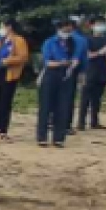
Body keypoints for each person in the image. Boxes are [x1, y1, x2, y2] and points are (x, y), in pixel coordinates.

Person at [36, 18, 80, 148]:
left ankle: (59, 138)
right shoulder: (49, 42)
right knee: (46, 106)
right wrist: (62, 63)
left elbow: (76, 58)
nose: (68, 31)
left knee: (63, 107)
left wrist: (73, 64)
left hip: (66, 75)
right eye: (65, 29)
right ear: (59, 29)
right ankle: (42, 136)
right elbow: (47, 62)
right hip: (50, 74)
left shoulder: (73, 43)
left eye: (70, 29)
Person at [0, 18, 28, 140]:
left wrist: (7, 61)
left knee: (4, 102)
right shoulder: (0, 40)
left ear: (9, 27)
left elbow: (23, 57)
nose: (1, 28)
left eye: (3, 26)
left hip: (9, 74)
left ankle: (3, 130)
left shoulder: (19, 40)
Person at [77, 17, 106, 131]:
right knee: (85, 98)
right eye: (98, 24)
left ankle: (95, 122)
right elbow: (88, 55)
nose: (101, 26)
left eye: (102, 24)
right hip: (90, 70)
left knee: (97, 98)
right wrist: (101, 51)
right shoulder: (87, 39)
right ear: (91, 26)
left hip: (103, 70)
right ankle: (81, 122)